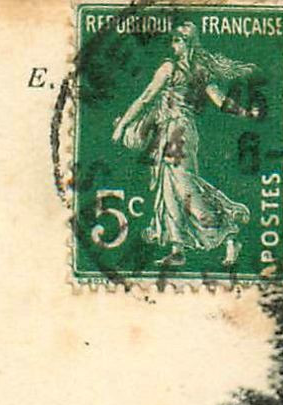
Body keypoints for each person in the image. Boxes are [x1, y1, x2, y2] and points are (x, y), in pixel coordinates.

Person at [111, 22, 260, 268]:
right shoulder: (200, 70)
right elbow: (222, 101)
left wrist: (121, 126)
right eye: (173, 41)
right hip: (177, 132)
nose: (173, 45)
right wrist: (245, 112)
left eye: (177, 40)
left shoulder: (169, 68)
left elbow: (146, 97)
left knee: (184, 188)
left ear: (186, 42)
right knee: (169, 188)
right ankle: (177, 248)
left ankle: (229, 234)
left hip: (177, 133)